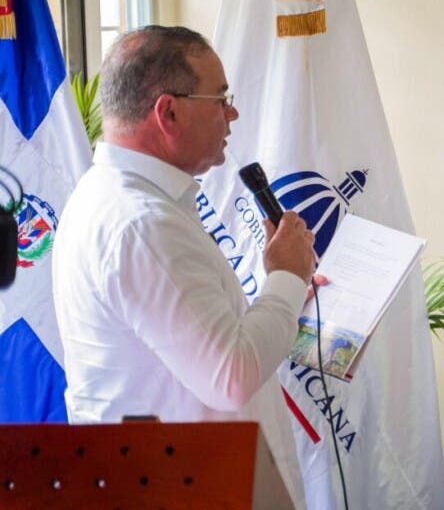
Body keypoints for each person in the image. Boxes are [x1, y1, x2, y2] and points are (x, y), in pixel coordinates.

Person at [53, 26, 317, 507]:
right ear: (168, 112)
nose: (232, 113)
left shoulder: (119, 199)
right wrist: (286, 278)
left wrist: (286, 288)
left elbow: (200, 339)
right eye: (220, 98)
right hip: (185, 491)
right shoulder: (141, 224)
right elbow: (230, 376)